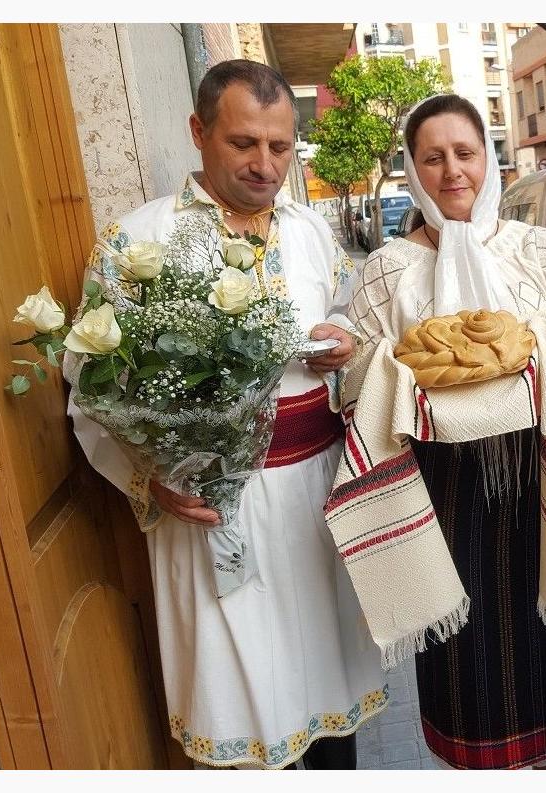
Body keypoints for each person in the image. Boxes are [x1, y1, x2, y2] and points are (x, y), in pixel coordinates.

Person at [64, 59, 383, 770]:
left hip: (316, 500)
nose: (265, 164)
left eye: (280, 146)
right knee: (244, 705)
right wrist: (149, 483)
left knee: (329, 697)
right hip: (210, 512)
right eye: (243, 143)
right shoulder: (136, 243)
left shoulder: (311, 232)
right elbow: (89, 384)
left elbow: (343, 311)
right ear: (198, 130)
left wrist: (342, 338)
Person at [326, 93, 546, 769]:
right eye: (433, 157)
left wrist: (536, 340)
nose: (452, 171)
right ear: (412, 170)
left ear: (489, 159)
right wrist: (379, 361)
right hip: (443, 496)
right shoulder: (386, 269)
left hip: (541, 480)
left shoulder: (537, 250)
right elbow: (354, 382)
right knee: (465, 666)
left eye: (465, 153)